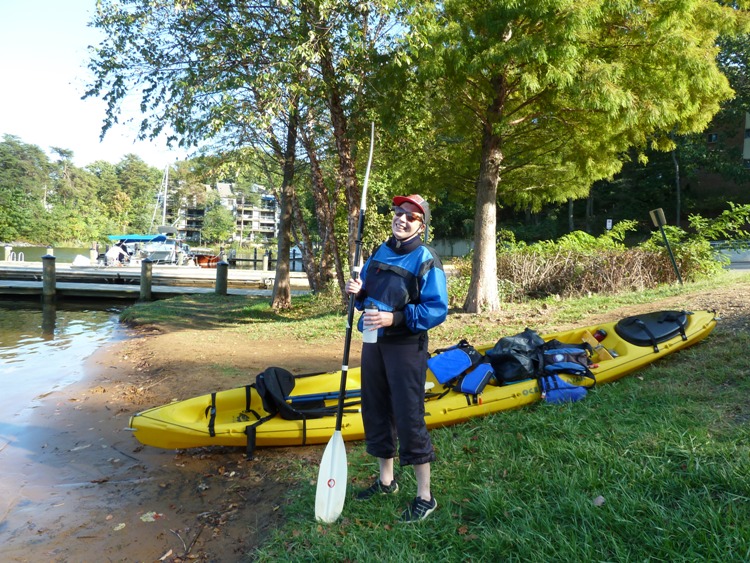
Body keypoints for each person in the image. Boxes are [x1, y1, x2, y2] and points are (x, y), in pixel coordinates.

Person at [345, 194, 449, 523]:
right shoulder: (380, 251)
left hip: (406, 345)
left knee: (408, 414)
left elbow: (437, 308)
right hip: (374, 342)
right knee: (375, 407)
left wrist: (397, 319)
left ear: (422, 225)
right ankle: (386, 481)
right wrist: (358, 292)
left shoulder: (425, 257)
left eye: (411, 216)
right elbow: (372, 295)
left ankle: (425, 496)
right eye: (399, 212)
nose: (402, 218)